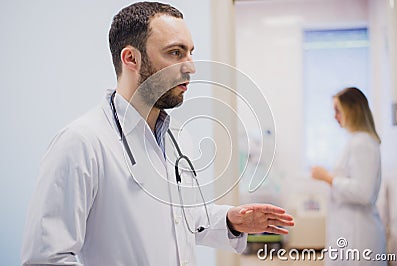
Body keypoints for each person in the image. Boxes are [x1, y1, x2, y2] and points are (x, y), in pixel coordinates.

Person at [21, 2, 294, 265]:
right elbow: (46, 258)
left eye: (190, 52)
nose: (191, 66)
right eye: (176, 52)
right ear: (131, 58)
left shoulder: (176, 136)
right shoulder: (81, 143)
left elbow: (183, 219)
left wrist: (230, 221)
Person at [312, 87, 387, 266]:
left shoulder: (362, 143)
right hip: (350, 233)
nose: (334, 116)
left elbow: (363, 193)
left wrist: (327, 178)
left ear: (352, 110)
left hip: (358, 237)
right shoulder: (357, 141)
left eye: (338, 110)